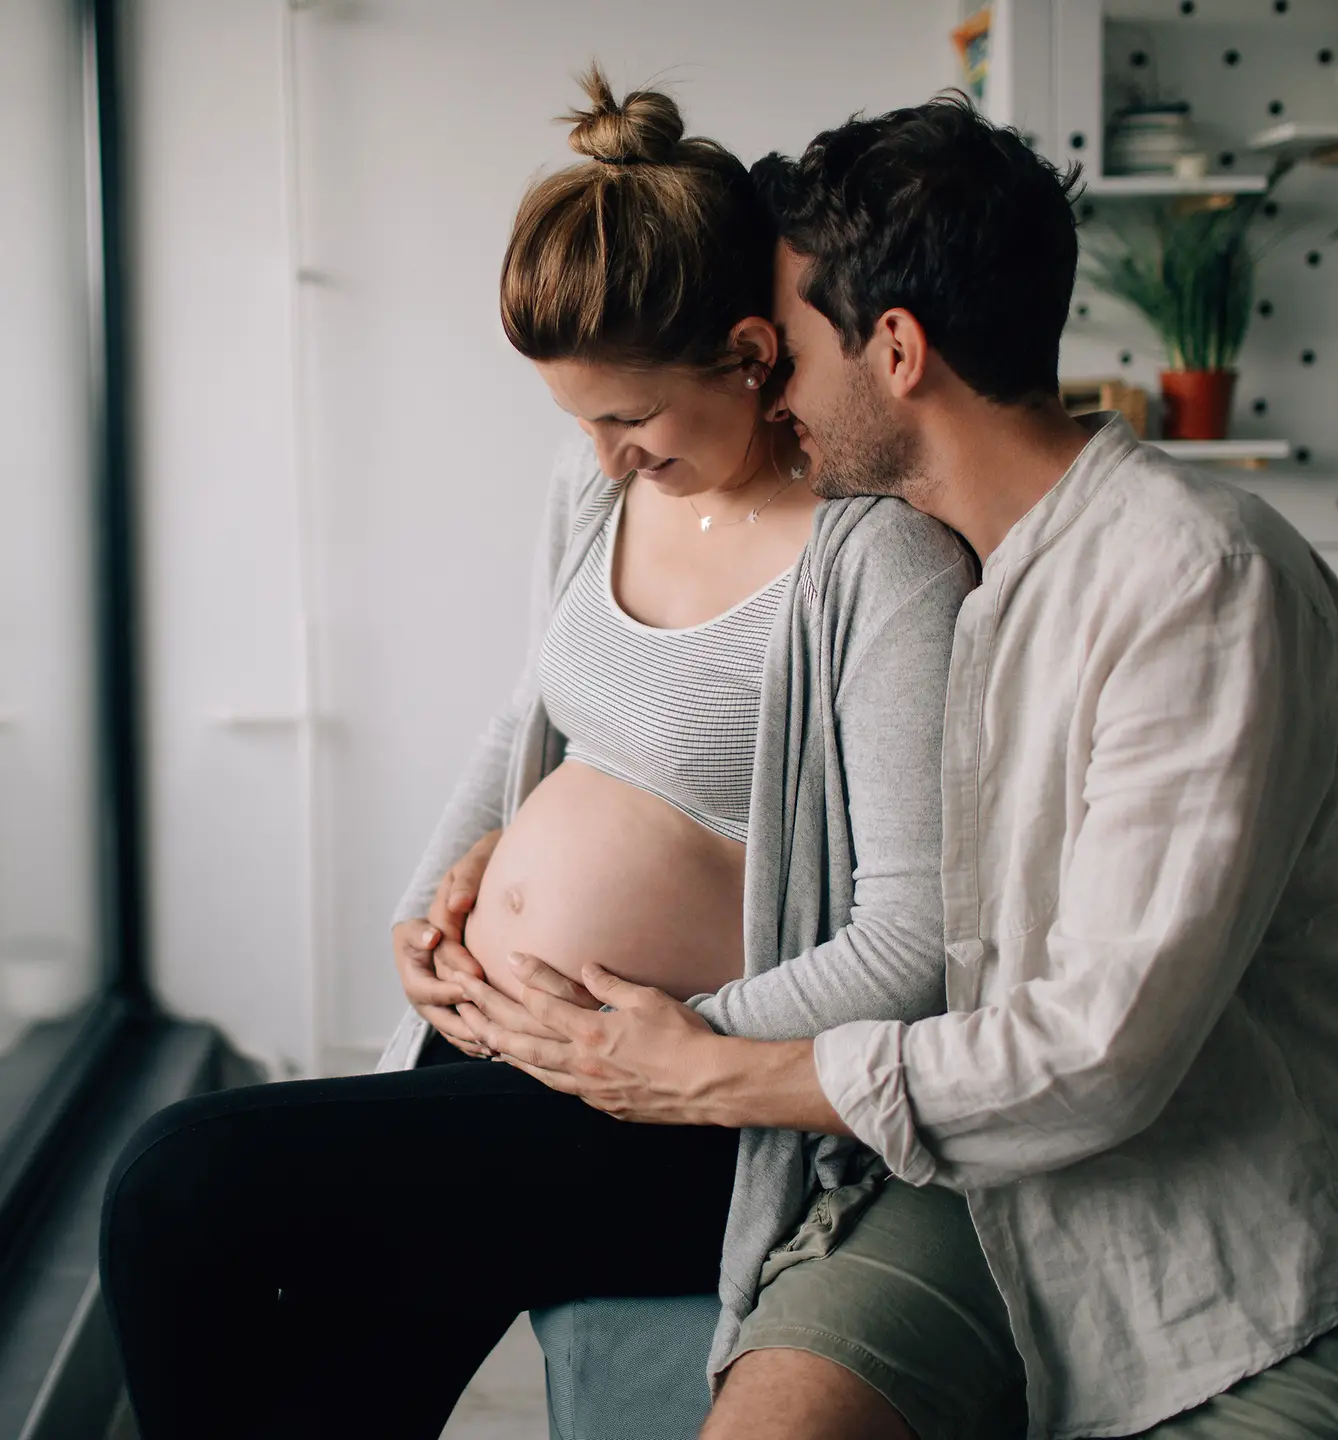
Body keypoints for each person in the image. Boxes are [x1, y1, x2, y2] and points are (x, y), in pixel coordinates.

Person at [456, 94, 1338, 1440]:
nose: (768, 387)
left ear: (897, 350)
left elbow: (1099, 1058)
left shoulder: (1195, 577)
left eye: (789, 348)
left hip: (1217, 1261)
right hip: (954, 1202)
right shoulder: (936, 565)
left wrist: (698, 1070)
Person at [98, 69, 972, 1440]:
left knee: (171, 1188)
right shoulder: (598, 490)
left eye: (632, 419)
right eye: (581, 422)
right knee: (327, 1395)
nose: (606, 456)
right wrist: (425, 913)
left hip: (676, 1117)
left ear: (752, 353)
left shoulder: (877, 563)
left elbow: (911, 941)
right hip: (512, 1050)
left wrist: (661, 1044)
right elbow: (531, 715)